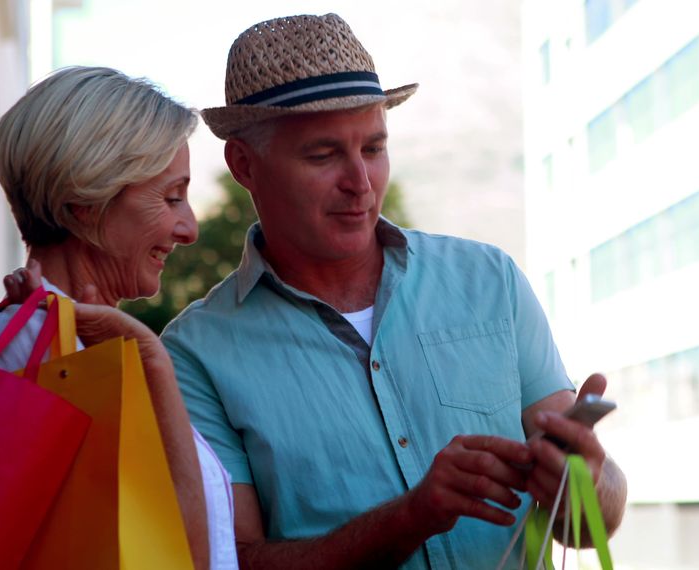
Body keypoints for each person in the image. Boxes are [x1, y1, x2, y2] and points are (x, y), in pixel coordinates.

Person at [162, 13, 627, 569]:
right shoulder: (195, 354)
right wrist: (410, 517)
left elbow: (592, 517)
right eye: (323, 154)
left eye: (374, 148)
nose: (360, 182)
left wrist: (586, 479)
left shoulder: (490, 282)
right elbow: (232, 561)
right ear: (243, 165)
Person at [0, 66, 237, 569]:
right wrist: (151, 360)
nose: (189, 228)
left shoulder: (66, 344)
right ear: (82, 206)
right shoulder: (37, 351)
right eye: (170, 197)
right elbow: (182, 555)